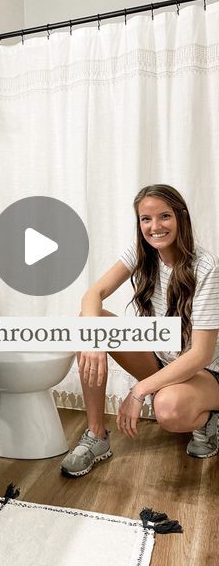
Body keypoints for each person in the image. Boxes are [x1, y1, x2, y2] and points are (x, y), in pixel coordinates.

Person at [61, 184, 219, 477]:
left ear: (181, 217)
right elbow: (93, 294)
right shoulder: (142, 252)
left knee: (168, 409)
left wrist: (139, 390)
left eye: (164, 216)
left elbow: (201, 353)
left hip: (207, 372)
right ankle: (96, 436)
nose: (155, 226)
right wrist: (94, 341)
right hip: (164, 360)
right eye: (146, 219)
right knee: (87, 320)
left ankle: (208, 419)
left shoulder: (206, 267)